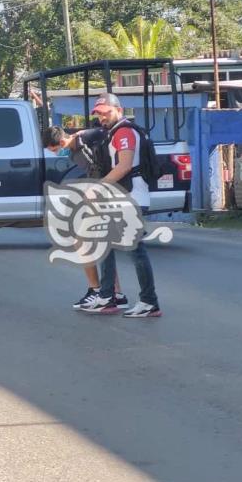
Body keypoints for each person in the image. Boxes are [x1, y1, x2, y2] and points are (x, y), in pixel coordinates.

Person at [72, 92, 161, 318]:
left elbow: (124, 166)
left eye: (106, 112)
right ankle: (109, 295)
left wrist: (97, 187)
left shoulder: (123, 132)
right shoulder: (113, 133)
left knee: (136, 250)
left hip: (132, 198)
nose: (102, 118)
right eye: (99, 114)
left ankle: (148, 302)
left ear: (119, 110)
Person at [42, 124, 129, 310]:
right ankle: (115, 292)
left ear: (63, 140)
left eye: (57, 149)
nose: (57, 153)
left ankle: (97, 290)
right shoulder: (74, 151)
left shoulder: (84, 142)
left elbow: (104, 135)